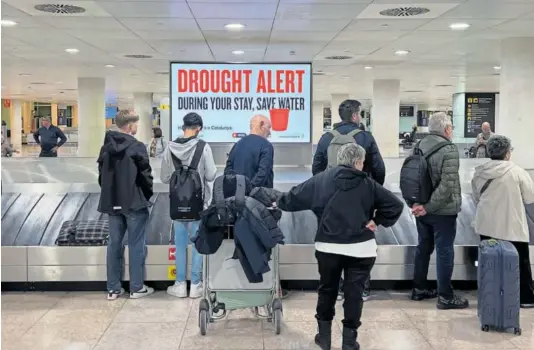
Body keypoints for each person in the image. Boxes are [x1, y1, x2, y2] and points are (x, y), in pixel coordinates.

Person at [276, 143, 403, 350]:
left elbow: (292, 199)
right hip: (361, 249)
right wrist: (377, 220)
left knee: (327, 290)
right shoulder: (368, 184)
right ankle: (349, 342)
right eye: (362, 162)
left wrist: (273, 200)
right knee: (354, 294)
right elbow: (395, 206)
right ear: (357, 162)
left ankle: (324, 338)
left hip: (328, 247)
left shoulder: (321, 180)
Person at [313, 99, 386, 301]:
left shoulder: (326, 138)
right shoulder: (365, 137)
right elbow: (379, 169)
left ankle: (333, 287)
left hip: (331, 200)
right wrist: (371, 191)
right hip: (360, 200)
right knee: (361, 241)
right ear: (355, 116)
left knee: (331, 242)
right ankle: (359, 288)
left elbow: (316, 169)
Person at [410, 112, 469, 309]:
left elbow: (410, 178)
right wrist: (428, 208)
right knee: (444, 251)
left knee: (423, 248)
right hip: (443, 212)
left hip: (422, 209)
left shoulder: (418, 146)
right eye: (451, 127)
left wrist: (417, 205)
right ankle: (445, 296)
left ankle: (419, 289)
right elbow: (447, 185)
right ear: (447, 129)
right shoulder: (449, 149)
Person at [97, 109, 154, 300]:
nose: (137, 126)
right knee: (136, 244)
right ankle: (136, 288)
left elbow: (101, 176)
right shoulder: (137, 146)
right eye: (136, 123)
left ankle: (113, 288)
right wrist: (146, 194)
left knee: (114, 243)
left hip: (112, 202)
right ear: (130, 126)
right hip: (134, 203)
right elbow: (145, 175)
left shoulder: (106, 147)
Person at [472, 135, 534, 308]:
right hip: (512, 225)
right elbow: (530, 199)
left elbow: (477, 197)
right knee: (520, 263)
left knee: (489, 261)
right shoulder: (518, 172)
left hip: (487, 225)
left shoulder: (480, 172)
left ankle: (489, 295)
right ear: (507, 153)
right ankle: (526, 298)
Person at [161, 112, 217, 299]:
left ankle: (179, 284)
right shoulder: (204, 147)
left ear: (183, 127)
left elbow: (164, 177)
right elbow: (210, 175)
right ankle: (195, 284)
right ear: (198, 128)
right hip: (198, 204)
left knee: (180, 245)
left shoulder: (170, 147)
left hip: (177, 205)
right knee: (197, 244)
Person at [225, 114, 274, 188]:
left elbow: (228, 170)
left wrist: (238, 189)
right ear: (261, 125)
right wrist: (249, 189)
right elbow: (262, 173)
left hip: (236, 195)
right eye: (268, 127)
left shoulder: (237, 145)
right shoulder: (266, 146)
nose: (270, 132)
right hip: (258, 196)